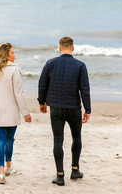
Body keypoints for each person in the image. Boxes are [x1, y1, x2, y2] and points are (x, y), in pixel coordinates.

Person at [38, 37, 91, 186]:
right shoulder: (80, 65)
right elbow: (84, 90)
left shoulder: (50, 63)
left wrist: (42, 103)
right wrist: (87, 109)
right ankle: (75, 170)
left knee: (57, 140)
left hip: (56, 108)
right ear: (72, 48)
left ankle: (60, 176)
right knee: (76, 137)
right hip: (74, 107)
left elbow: (42, 84)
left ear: (59, 48)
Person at [0, 43, 32, 184]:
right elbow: (19, 94)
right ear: (6, 55)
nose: (14, 55)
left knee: (0, 140)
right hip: (11, 110)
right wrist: (26, 113)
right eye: (12, 52)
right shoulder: (14, 70)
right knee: (10, 140)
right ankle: (8, 165)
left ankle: (1, 173)